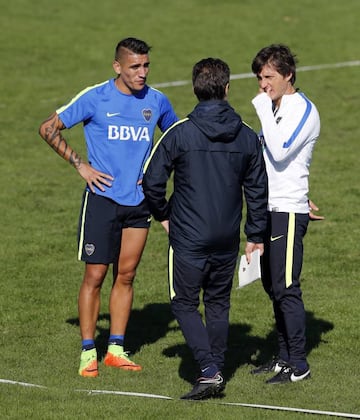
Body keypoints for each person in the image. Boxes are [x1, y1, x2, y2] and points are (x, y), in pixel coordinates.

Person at [38, 37, 178, 378]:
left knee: (126, 275)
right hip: (101, 199)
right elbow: (47, 128)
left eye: (146, 66)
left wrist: (158, 183)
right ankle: (89, 350)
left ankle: (116, 348)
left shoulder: (157, 101)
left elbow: (177, 139)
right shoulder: (95, 97)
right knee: (95, 275)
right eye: (134, 67)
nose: (142, 73)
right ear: (117, 67)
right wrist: (80, 165)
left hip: (139, 204)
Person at [142, 58, 268, 400]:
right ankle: (217, 367)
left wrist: (164, 215)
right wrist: (255, 234)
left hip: (188, 236)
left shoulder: (179, 133)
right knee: (217, 303)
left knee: (183, 303)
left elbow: (151, 182)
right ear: (227, 88)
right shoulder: (245, 135)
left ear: (195, 89)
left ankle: (209, 371)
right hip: (227, 237)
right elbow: (258, 189)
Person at [250, 44, 321, 384]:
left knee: (286, 287)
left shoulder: (302, 110)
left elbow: (278, 153)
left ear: (288, 75)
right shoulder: (276, 108)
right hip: (268, 209)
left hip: (288, 212)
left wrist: (263, 107)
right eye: (260, 78)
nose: (263, 84)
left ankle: (299, 364)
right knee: (272, 286)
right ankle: (283, 358)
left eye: (269, 77)